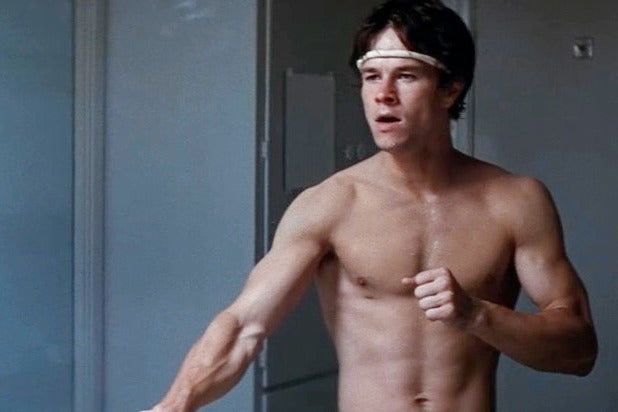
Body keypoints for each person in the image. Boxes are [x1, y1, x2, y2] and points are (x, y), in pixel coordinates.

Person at [143, 1, 597, 411]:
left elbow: (579, 351)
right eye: (372, 76)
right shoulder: (330, 204)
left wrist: (477, 314)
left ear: (450, 89)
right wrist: (174, 406)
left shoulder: (515, 201)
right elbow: (243, 327)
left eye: (406, 76)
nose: (383, 94)